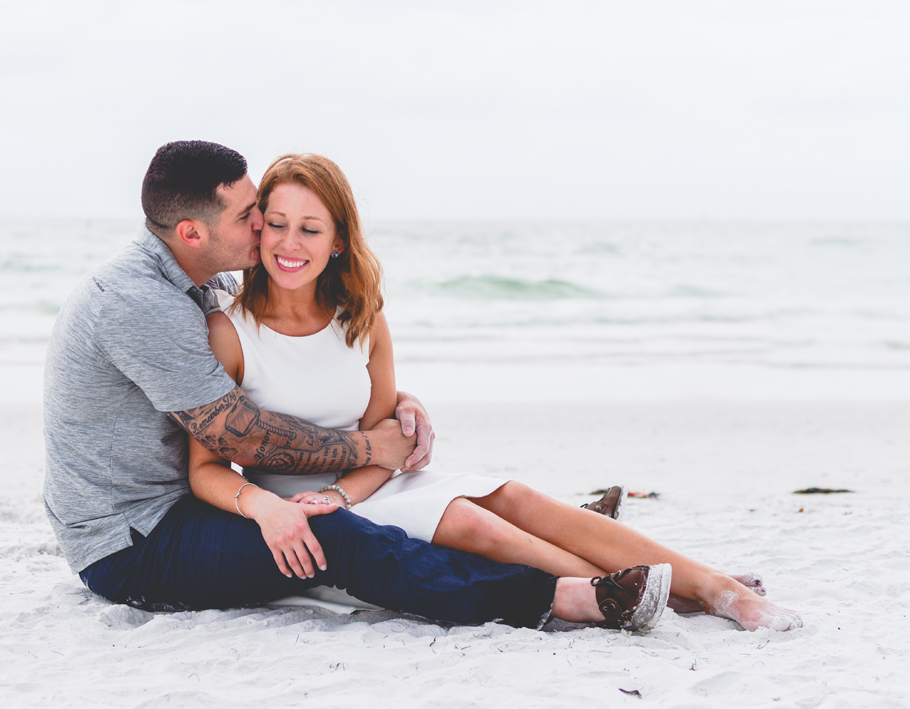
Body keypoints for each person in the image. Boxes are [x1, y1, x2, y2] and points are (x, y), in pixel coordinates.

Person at [43, 140, 670, 633]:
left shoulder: (202, 284)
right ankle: (559, 596)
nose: (263, 226)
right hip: (134, 544)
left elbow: (296, 367)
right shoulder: (138, 303)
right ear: (192, 233)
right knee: (329, 536)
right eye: (249, 215)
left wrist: (401, 402)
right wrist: (372, 449)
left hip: (186, 507)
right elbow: (244, 435)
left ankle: (552, 549)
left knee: (369, 518)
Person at [188, 152, 803, 632]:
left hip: (367, 487)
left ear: (338, 241)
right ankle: (660, 591)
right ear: (258, 229)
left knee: (515, 496)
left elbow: (384, 447)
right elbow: (206, 469)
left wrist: (346, 487)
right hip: (308, 517)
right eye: (276, 224)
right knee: (474, 524)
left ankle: (715, 586)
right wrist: (287, 506)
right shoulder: (230, 331)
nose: (289, 244)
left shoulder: (362, 318)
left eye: (310, 229)